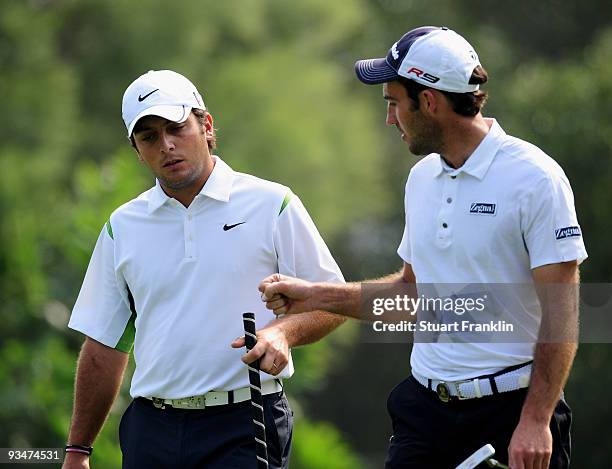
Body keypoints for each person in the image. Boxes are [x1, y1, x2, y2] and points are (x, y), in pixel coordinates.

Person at [259, 26, 587, 469]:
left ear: (429, 101)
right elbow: (413, 294)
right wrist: (315, 295)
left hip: (510, 414)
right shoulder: (421, 179)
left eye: (394, 103)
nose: (390, 118)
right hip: (426, 413)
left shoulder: (536, 178)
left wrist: (536, 419)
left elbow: (562, 309)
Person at [63, 69, 345, 469]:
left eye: (177, 128)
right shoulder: (122, 226)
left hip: (245, 422)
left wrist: (284, 332)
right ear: (136, 150)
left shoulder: (271, 203)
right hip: (151, 428)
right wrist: (77, 451)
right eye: (149, 137)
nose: (167, 145)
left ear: (206, 125)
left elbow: (335, 301)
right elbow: (104, 345)